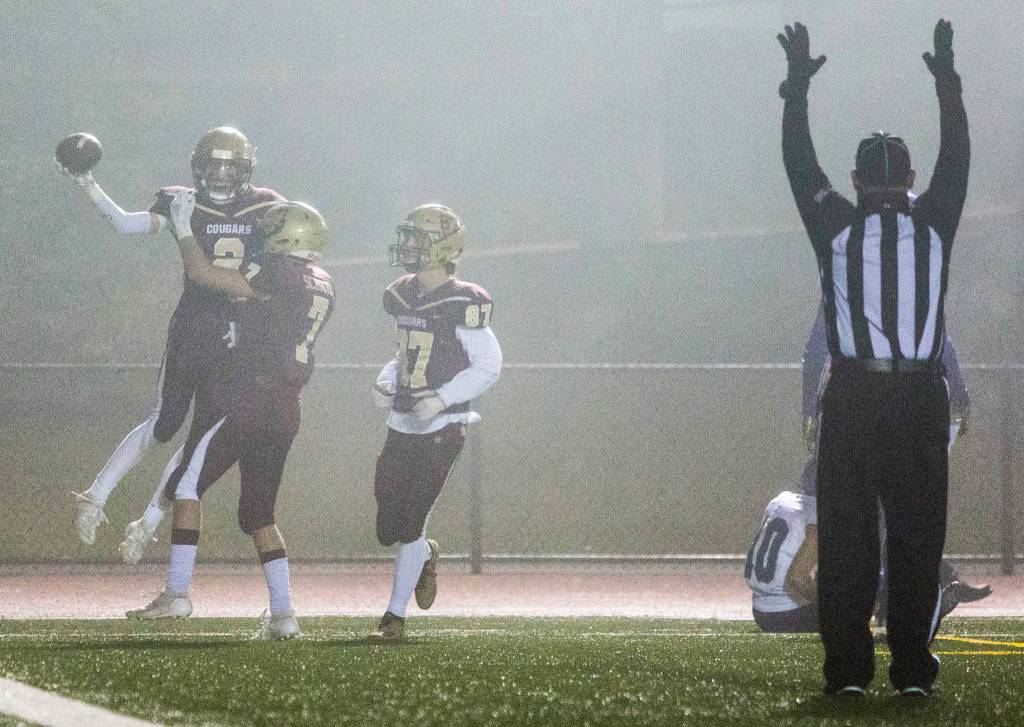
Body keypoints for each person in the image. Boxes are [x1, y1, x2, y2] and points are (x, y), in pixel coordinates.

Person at [778, 19, 969, 696]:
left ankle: (848, 671)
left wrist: (796, 90)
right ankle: (912, 670)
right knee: (917, 538)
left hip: (855, 393)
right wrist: (948, 83)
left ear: (857, 180)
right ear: (910, 179)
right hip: (918, 394)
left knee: (851, 541)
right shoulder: (934, 224)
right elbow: (958, 158)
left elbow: (799, 165)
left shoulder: (836, 226)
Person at [60, 127, 284, 559]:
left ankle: (148, 523)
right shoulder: (182, 199)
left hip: (241, 332)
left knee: (200, 440)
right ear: (199, 166)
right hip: (196, 325)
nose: (219, 174)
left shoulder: (266, 206)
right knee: (164, 422)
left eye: (228, 166)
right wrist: (87, 184)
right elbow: (126, 225)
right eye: (212, 165)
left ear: (245, 169)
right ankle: (95, 494)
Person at [126, 193, 335, 640]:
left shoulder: (276, 271)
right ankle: (284, 615)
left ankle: (177, 592)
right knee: (259, 512)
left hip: (252, 397)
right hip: (287, 405)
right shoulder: (322, 282)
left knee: (187, 484)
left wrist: (183, 228)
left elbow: (203, 275)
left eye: (274, 226)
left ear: (290, 234)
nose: (264, 232)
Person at [370, 204, 502, 642]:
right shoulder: (404, 293)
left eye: (417, 238)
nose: (407, 246)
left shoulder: (463, 301)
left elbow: (489, 366)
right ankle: (426, 553)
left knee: (411, 519)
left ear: (443, 248)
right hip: (403, 421)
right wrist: (388, 381)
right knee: (388, 525)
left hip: (444, 425)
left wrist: (443, 398)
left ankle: (394, 617)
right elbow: (405, 352)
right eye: (406, 236)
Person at [746, 476, 991, 635]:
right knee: (864, 590)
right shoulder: (819, 517)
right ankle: (922, 615)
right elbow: (798, 579)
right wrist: (835, 607)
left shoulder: (781, 500)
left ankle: (928, 591)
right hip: (786, 615)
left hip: (760, 610)